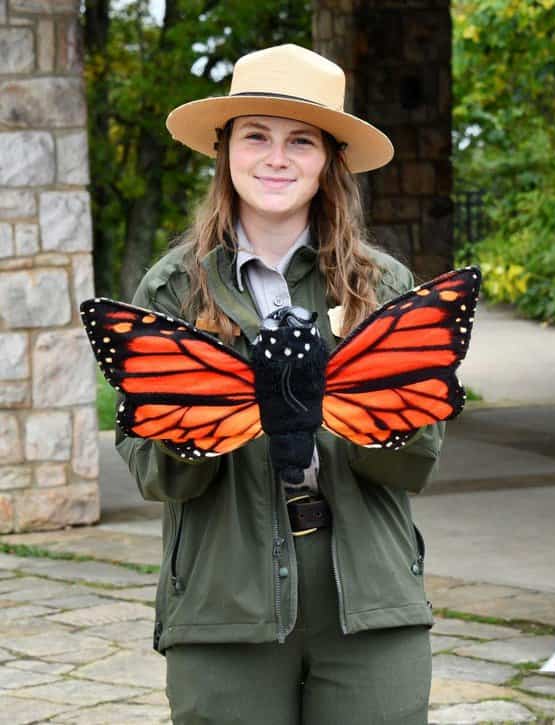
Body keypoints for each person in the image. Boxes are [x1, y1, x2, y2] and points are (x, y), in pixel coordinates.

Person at [115, 43, 444, 724]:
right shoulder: (173, 290)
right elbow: (154, 472)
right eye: (256, 135)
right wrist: (205, 422)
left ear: (328, 160)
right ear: (224, 148)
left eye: (301, 140)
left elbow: (416, 460)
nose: (276, 157)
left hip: (369, 603)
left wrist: (334, 412)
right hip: (223, 605)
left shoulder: (382, 288)